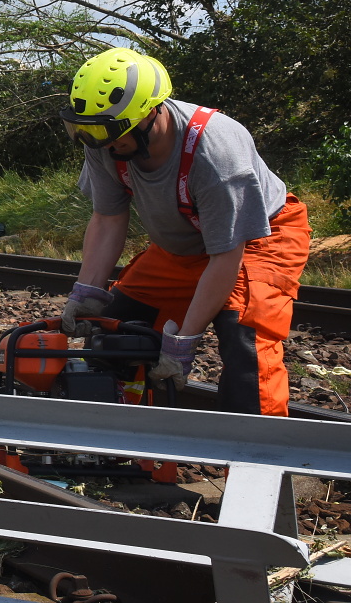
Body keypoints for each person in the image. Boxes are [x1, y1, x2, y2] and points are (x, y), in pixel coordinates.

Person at [60, 48, 310, 416]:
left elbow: (226, 256)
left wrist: (184, 341)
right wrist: (88, 290)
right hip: (180, 245)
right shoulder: (105, 137)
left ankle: (259, 461)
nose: (103, 143)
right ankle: (117, 438)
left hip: (258, 238)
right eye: (90, 131)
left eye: (110, 133)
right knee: (116, 328)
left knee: (245, 343)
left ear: (150, 114)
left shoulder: (216, 152)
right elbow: (108, 217)